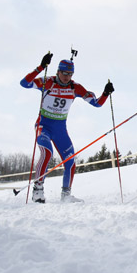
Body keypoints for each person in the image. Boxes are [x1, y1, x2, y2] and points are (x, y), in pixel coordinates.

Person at [21, 53, 114, 203]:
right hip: (43, 126)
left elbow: (97, 103)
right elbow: (24, 83)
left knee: (70, 162)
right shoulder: (48, 82)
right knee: (47, 153)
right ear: (58, 71)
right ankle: (38, 190)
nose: (66, 76)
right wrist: (40, 67)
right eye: (64, 73)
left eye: (70, 74)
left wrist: (105, 93)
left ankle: (66, 195)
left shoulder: (75, 87)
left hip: (60, 129)